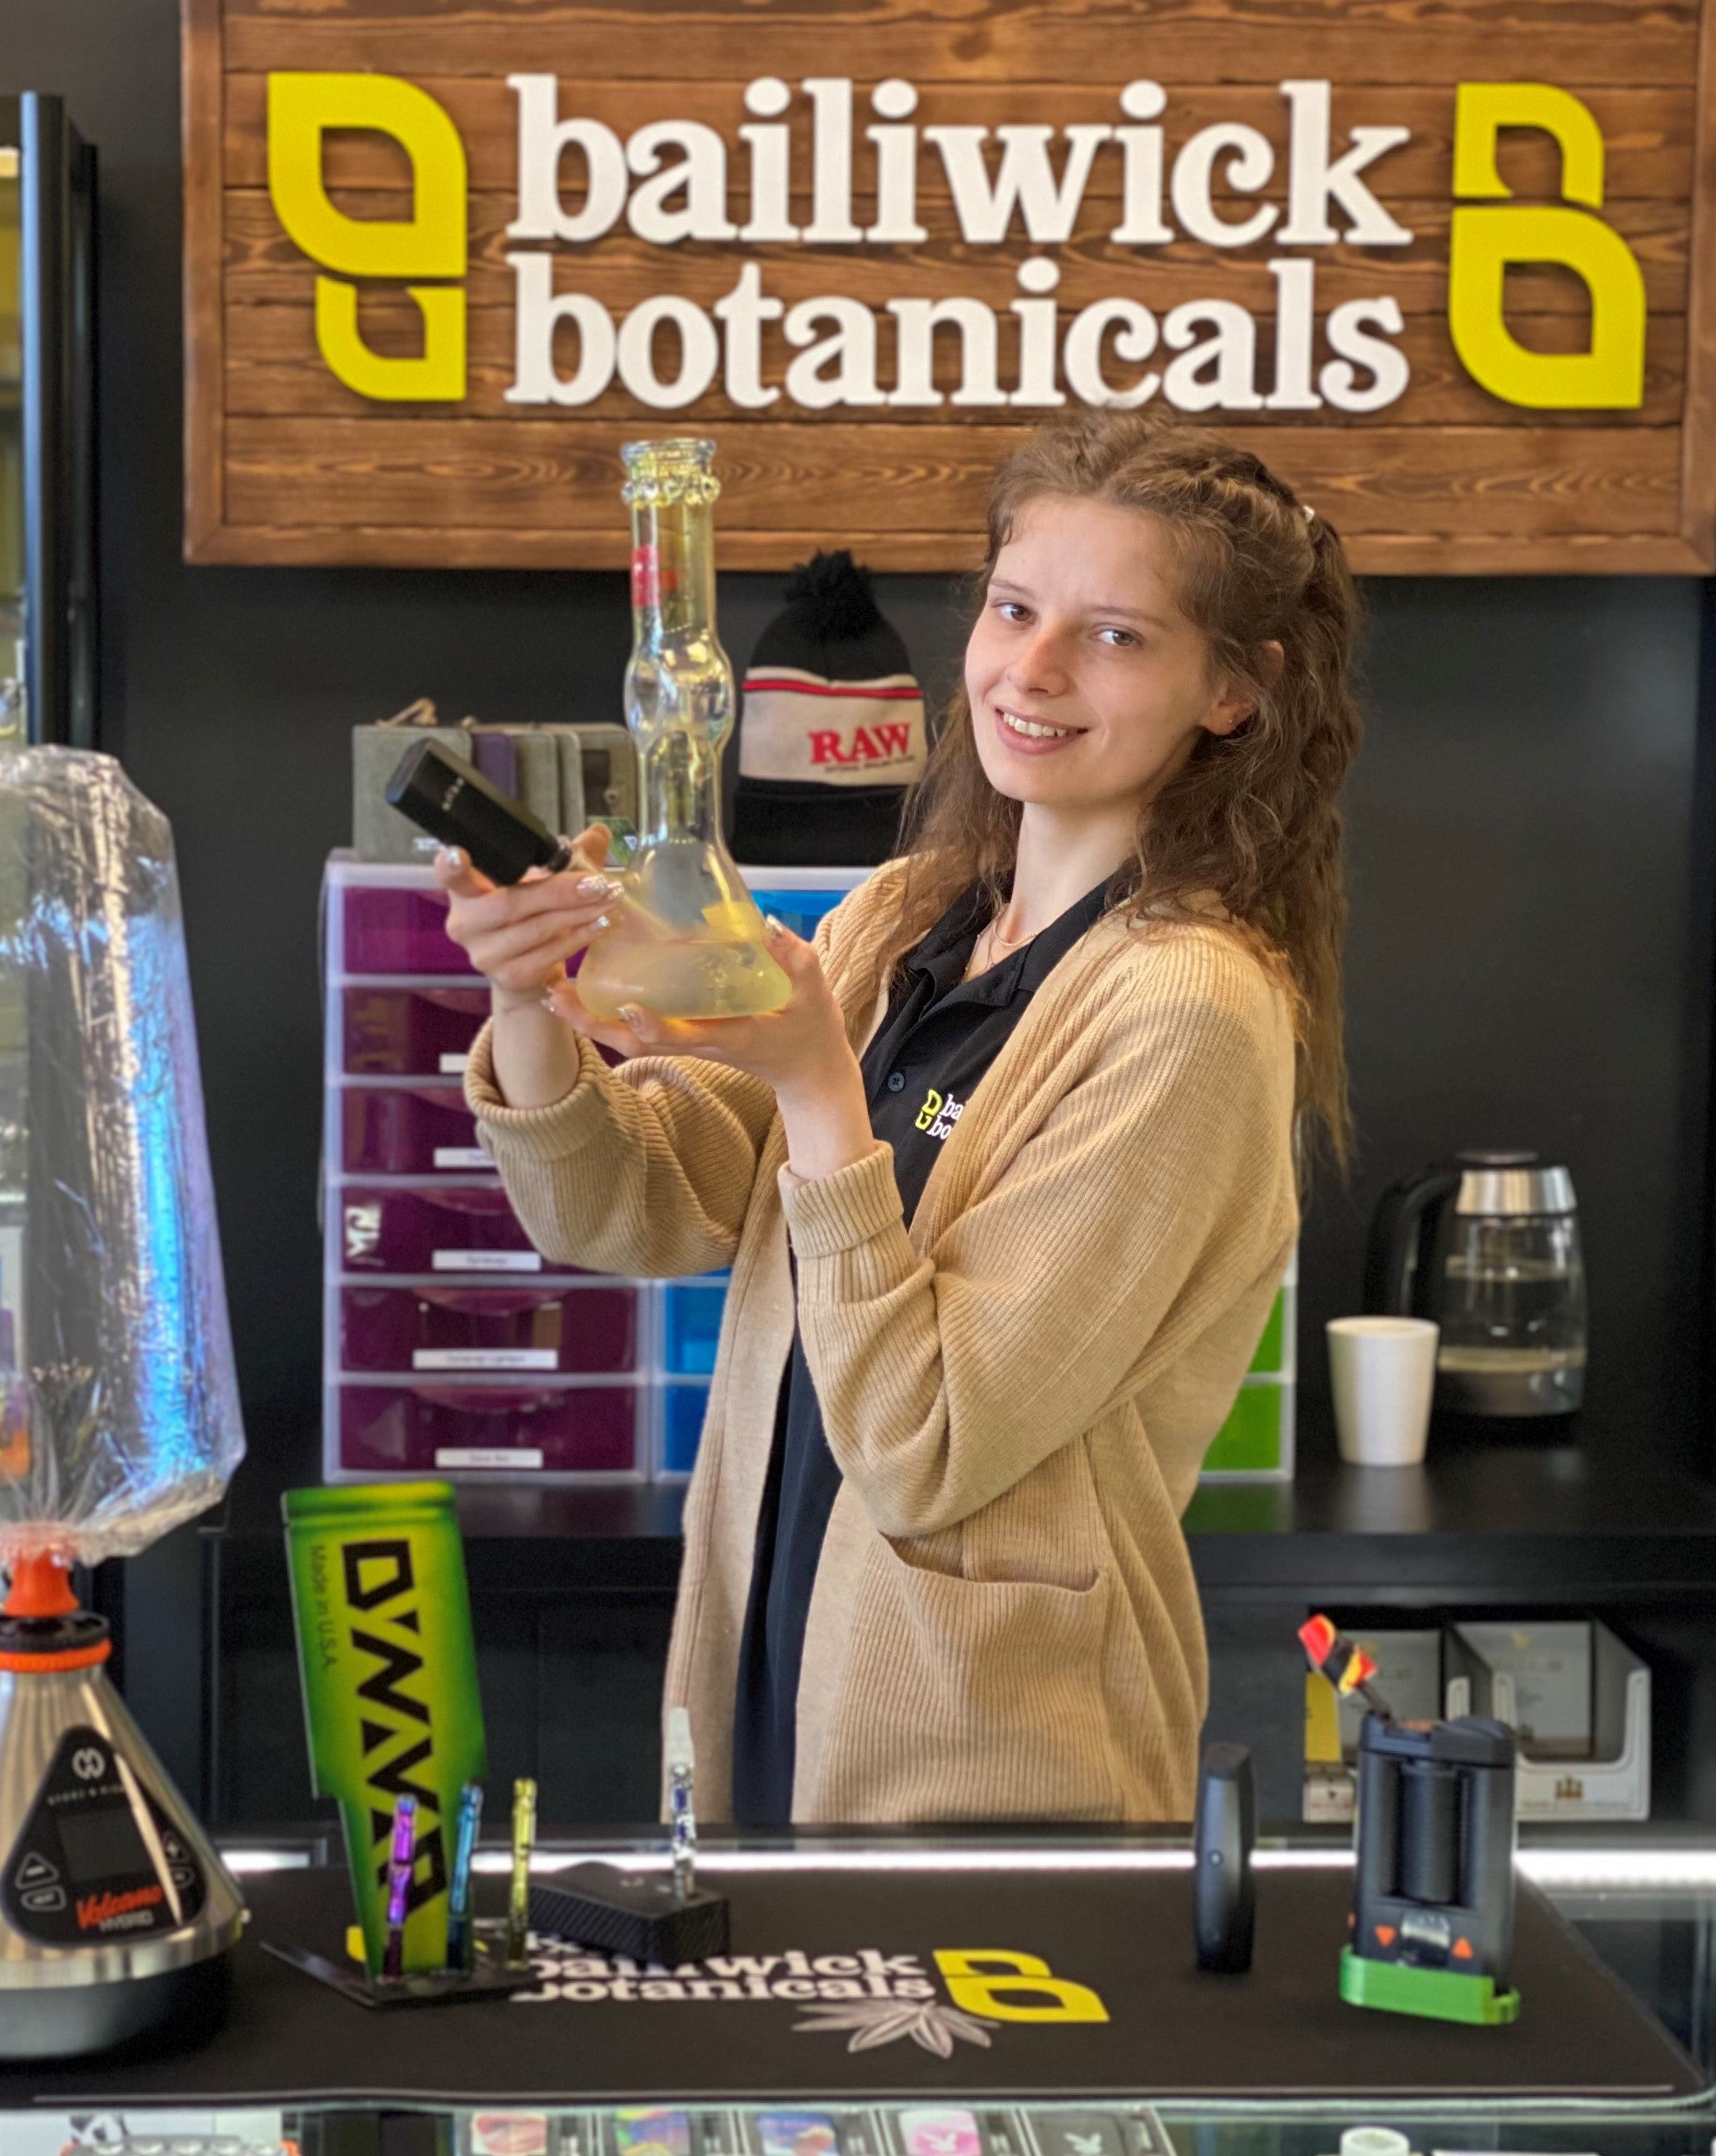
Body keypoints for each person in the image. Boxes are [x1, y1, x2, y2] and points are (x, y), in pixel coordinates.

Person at [441, 410, 1362, 1824]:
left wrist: (818, 1085)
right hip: (767, 1674)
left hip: (993, 1758)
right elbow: (628, 1211)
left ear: (1233, 692)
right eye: (1012, 609)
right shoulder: (904, 916)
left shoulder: (1188, 1012)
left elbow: (926, 1450)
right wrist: (528, 999)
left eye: (1114, 637)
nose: (1031, 672)